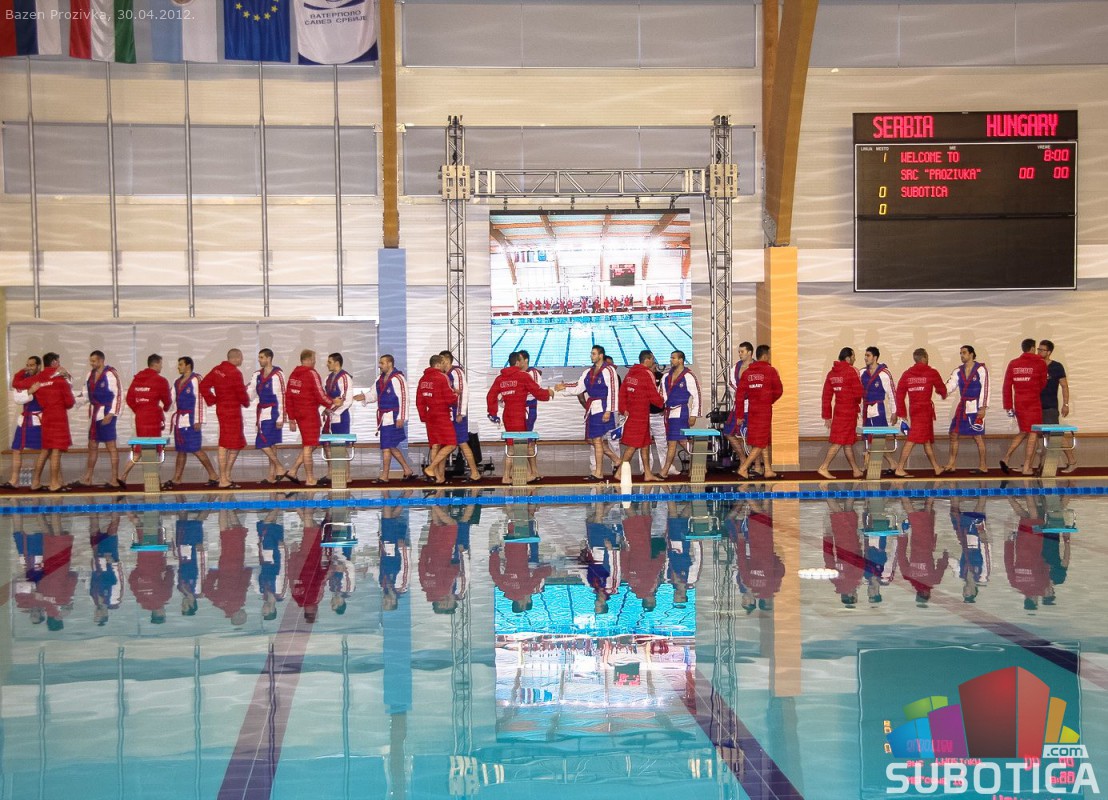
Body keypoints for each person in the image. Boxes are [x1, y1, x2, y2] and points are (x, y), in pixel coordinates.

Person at [486, 351, 553, 484]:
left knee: (511, 445)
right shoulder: (523, 376)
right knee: (520, 446)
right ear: (517, 362)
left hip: (507, 414)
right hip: (518, 414)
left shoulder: (500, 379)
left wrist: (493, 413)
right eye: (521, 361)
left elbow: (491, 396)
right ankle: (524, 475)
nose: (523, 363)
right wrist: (548, 393)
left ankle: (506, 476)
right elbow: (537, 392)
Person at [556, 345, 621, 481]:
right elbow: (579, 386)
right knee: (593, 440)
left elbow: (613, 391)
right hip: (593, 408)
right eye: (591, 353)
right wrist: (564, 387)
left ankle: (599, 472)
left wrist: (609, 411)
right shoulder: (588, 372)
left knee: (597, 440)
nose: (591, 356)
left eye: (594, 354)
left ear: (601, 355)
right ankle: (616, 460)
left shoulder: (609, 370)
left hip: (603, 407)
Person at [354, 355, 415, 483]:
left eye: (382, 363)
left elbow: (404, 399)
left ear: (390, 363)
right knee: (390, 445)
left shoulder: (398, 378)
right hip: (384, 417)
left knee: (386, 446)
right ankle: (407, 470)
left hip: (394, 416)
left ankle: (384, 476)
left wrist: (401, 417)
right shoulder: (379, 379)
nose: (379, 365)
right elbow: (373, 394)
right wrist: (364, 397)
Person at [164, 356, 219, 489]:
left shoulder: (196, 379)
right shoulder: (177, 381)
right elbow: (170, 399)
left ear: (188, 365)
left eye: (181, 364)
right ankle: (177, 478)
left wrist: (199, 420)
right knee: (181, 450)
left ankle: (213, 475)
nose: (178, 367)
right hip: (179, 420)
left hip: (191, 419)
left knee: (196, 449)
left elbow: (200, 400)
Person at [199, 349, 251, 489]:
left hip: (221, 409)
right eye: (241, 357)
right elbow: (241, 393)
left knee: (230, 442)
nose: (242, 360)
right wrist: (246, 402)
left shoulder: (217, 370)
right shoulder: (235, 373)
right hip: (232, 410)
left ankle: (226, 475)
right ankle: (223, 478)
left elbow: (203, 386)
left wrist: (213, 399)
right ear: (237, 358)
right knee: (230, 443)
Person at [893, 348, 948, 477]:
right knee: (912, 439)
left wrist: (902, 413)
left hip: (914, 409)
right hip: (925, 410)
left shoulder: (907, 374)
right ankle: (899, 468)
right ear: (924, 358)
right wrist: (943, 392)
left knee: (926, 440)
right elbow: (942, 389)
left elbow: (899, 395)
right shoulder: (931, 372)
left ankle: (936, 467)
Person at [285, 349, 336, 487]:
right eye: (313, 359)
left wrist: (291, 417)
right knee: (308, 446)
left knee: (311, 443)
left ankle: (293, 471)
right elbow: (320, 394)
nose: (314, 361)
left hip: (299, 414)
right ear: (308, 360)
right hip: (309, 414)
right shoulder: (311, 373)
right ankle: (310, 478)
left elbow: (288, 397)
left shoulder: (293, 374)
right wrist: (332, 402)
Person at [119, 354, 173, 484]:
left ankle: (125, 476)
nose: (162, 367)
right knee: (150, 448)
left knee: (142, 447)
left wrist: (139, 410)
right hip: (152, 417)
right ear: (156, 364)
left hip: (140, 418)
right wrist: (165, 408)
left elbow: (129, 399)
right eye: (161, 364)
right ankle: (152, 481)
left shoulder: (137, 379)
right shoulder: (160, 380)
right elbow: (167, 400)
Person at [74, 350, 123, 489]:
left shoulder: (111, 373)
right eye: (91, 361)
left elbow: (119, 394)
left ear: (101, 360)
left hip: (107, 413)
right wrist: (70, 400)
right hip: (95, 414)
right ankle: (88, 478)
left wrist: (112, 413)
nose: (91, 363)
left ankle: (114, 479)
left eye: (94, 361)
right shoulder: (89, 375)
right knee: (92, 445)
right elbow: (85, 396)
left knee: (111, 446)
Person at [27, 353, 75, 493]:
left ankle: (35, 482)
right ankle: (54, 483)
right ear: (54, 362)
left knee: (45, 450)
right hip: (58, 416)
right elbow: (69, 402)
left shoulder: (38, 378)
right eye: (58, 361)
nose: (59, 364)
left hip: (46, 416)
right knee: (56, 451)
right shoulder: (60, 380)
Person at [1000, 338, 1048, 475]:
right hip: (1033, 402)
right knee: (1032, 433)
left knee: (1023, 431)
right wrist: (1033, 390)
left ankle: (1006, 458)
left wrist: (1008, 405)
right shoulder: (1040, 363)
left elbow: (1007, 386)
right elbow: (1043, 383)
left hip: (1019, 402)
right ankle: (1027, 467)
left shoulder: (1013, 363)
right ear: (1032, 348)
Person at [735, 345, 783, 480]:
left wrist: (739, 415)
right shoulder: (770, 371)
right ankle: (744, 468)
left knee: (763, 439)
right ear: (765, 355)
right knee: (761, 442)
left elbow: (739, 396)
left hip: (752, 410)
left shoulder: (747, 373)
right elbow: (779, 390)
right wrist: (768, 400)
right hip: (764, 410)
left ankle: (768, 469)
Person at [816, 347, 865, 480]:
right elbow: (858, 393)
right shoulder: (851, 371)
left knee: (847, 442)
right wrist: (858, 402)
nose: (855, 359)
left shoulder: (832, 373)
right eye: (853, 356)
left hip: (838, 412)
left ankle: (855, 470)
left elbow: (826, 396)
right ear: (848, 358)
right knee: (838, 442)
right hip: (848, 412)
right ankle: (824, 467)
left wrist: (827, 416)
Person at [617, 350, 666, 481]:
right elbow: (653, 394)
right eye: (652, 359)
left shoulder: (630, 373)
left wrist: (623, 409)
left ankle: (647, 473)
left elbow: (622, 393)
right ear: (647, 360)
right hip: (641, 414)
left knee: (645, 444)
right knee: (633, 445)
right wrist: (663, 403)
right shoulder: (646, 373)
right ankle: (619, 472)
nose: (654, 362)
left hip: (633, 413)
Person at [943, 345, 990, 474]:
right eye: (960, 353)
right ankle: (951, 464)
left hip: (976, 406)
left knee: (978, 436)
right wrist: (941, 390)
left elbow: (986, 388)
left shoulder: (981, 369)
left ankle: (983, 465)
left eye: (964, 353)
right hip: (963, 406)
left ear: (971, 354)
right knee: (953, 434)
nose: (962, 355)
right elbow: (950, 385)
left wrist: (983, 407)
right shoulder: (958, 371)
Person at [248, 348, 292, 485]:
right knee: (270, 444)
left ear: (269, 358)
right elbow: (250, 393)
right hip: (262, 411)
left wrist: (281, 418)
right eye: (259, 357)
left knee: (263, 442)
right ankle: (271, 475)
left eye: (261, 357)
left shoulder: (278, 374)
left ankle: (279, 467)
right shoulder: (257, 375)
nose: (259, 360)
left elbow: (282, 396)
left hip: (274, 412)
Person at [659, 350, 703, 476]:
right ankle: (700, 465)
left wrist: (694, 414)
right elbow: (662, 395)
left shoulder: (688, 376)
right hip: (669, 412)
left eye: (673, 358)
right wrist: (661, 407)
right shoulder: (666, 376)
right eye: (671, 358)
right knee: (682, 441)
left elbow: (697, 396)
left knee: (674, 442)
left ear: (681, 360)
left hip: (681, 411)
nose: (671, 360)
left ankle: (664, 471)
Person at [440, 350, 482, 482]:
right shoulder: (444, 375)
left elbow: (464, 393)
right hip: (448, 414)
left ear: (447, 360)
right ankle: (440, 475)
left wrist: (460, 412)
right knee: (446, 443)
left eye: (441, 361)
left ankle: (475, 473)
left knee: (462, 442)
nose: (440, 363)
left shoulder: (456, 372)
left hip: (457, 413)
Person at [417, 354, 458, 485]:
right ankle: (431, 468)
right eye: (443, 363)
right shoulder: (442, 377)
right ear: (438, 364)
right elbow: (449, 398)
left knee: (435, 445)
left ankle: (439, 477)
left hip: (430, 415)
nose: (445, 366)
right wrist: (456, 394)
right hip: (442, 414)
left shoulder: (423, 379)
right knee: (451, 444)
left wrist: (423, 416)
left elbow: (419, 401)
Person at [1038, 339, 1076, 473]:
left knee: (1056, 434)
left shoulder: (1056, 367)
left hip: (1050, 406)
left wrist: (1066, 404)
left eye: (1042, 350)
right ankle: (1039, 464)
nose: (1039, 352)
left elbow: (1064, 386)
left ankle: (1072, 461)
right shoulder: (1035, 365)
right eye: (1038, 349)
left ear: (1049, 352)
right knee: (1037, 435)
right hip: (1035, 406)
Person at [5, 355, 43, 489]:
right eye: (27, 365)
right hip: (25, 420)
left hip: (40, 420)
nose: (29, 368)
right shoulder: (22, 379)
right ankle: (14, 480)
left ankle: (40, 481)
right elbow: (18, 399)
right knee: (16, 449)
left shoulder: (43, 379)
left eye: (32, 365)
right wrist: (31, 391)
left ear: (38, 366)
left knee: (47, 451)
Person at [859, 346, 898, 475]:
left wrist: (894, 411)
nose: (865, 358)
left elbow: (892, 393)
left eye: (868, 355)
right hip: (866, 408)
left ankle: (881, 464)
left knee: (878, 439)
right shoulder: (862, 373)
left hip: (878, 408)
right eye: (865, 355)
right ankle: (868, 463)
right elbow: (857, 392)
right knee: (867, 437)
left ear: (875, 357)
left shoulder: (884, 373)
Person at [319, 352, 356, 486]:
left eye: (329, 362)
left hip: (340, 417)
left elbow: (346, 400)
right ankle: (331, 473)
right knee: (327, 445)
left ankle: (347, 475)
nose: (327, 364)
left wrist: (332, 410)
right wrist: (325, 409)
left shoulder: (345, 378)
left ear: (336, 362)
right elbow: (323, 397)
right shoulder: (327, 378)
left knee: (340, 446)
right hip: (328, 417)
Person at [518, 350, 544, 479]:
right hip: (519, 409)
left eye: (520, 359)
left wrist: (516, 394)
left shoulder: (533, 373)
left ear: (526, 360)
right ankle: (533, 472)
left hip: (529, 409)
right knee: (525, 441)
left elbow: (535, 391)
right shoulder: (517, 373)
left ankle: (531, 472)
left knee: (526, 440)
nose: (518, 362)